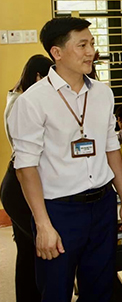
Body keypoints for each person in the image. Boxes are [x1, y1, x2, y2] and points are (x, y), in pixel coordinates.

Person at [8, 18, 122, 302]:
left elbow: (111, 147)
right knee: (55, 291)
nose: (91, 51)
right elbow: (25, 168)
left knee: (100, 288)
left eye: (91, 43)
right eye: (82, 45)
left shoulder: (102, 93)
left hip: (102, 205)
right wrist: (42, 225)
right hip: (59, 211)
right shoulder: (33, 101)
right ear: (57, 52)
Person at [1, 54, 53, 302]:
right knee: (37, 246)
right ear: (38, 77)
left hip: (16, 181)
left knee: (26, 248)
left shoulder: (15, 96)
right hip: (20, 182)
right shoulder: (23, 103)